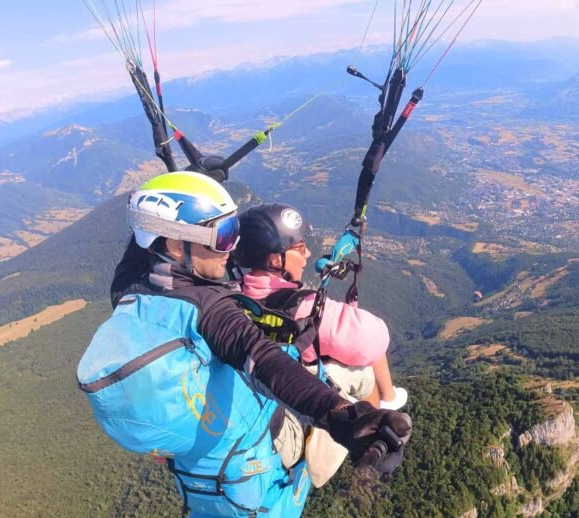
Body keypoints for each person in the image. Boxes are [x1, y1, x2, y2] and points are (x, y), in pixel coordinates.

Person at [108, 171, 411, 476]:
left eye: (234, 234)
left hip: (206, 429)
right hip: (273, 439)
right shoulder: (211, 310)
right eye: (223, 235)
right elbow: (265, 360)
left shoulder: (127, 287)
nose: (231, 249)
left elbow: (142, 235)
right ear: (175, 246)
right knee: (360, 372)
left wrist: (196, 186)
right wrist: (347, 419)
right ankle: (377, 409)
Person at [233, 203, 408, 411]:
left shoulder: (236, 296)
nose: (307, 253)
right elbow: (375, 340)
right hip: (295, 390)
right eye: (299, 247)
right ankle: (383, 410)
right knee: (365, 372)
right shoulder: (303, 308)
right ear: (274, 259)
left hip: (263, 382)